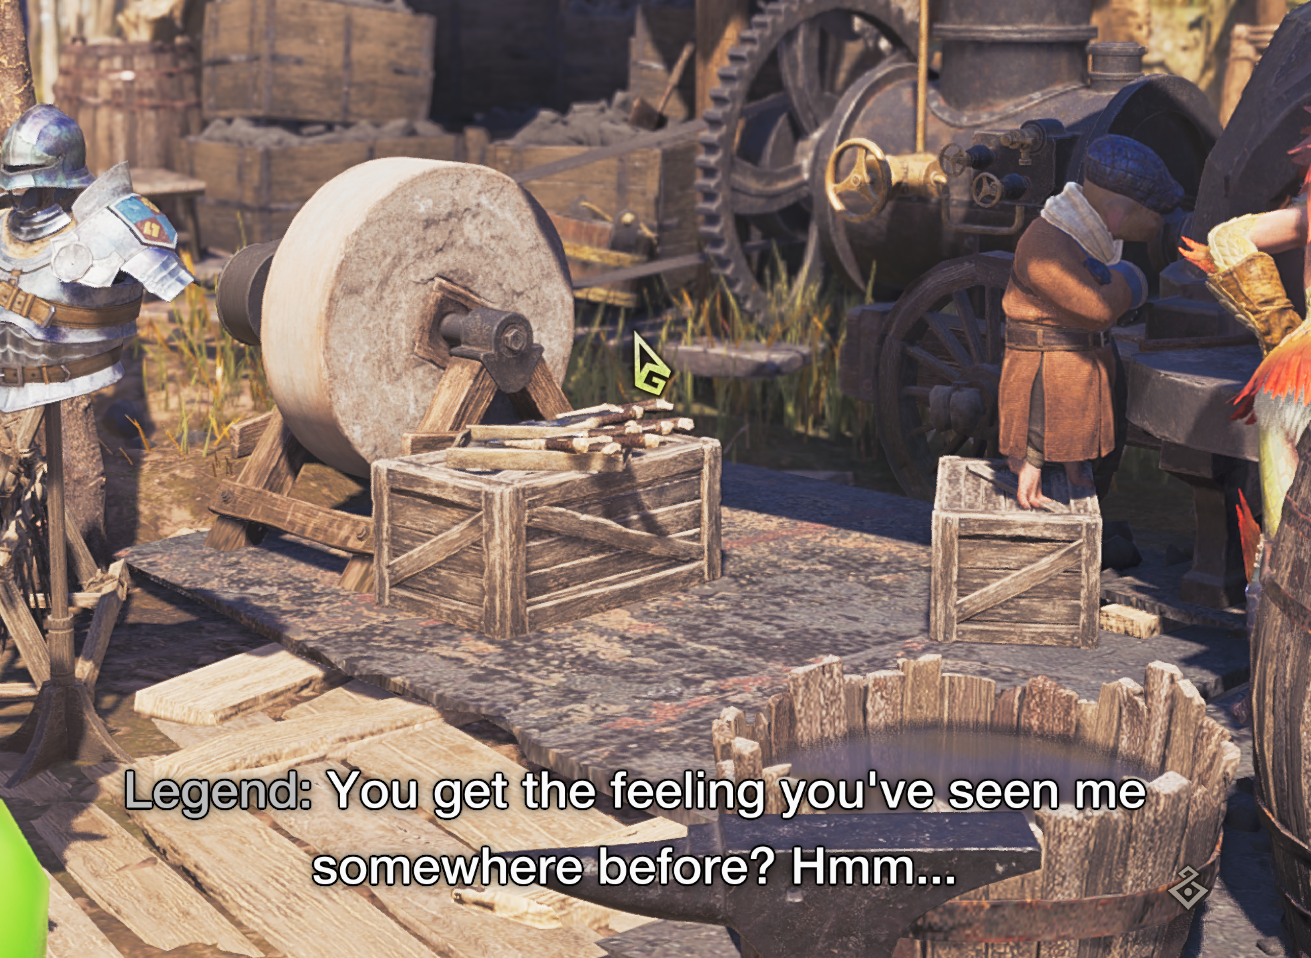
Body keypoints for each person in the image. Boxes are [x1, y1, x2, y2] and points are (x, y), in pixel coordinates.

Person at [998, 135, 1182, 510]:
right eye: (1153, 217)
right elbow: (1095, 307)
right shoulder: (1045, 244)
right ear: (1116, 213)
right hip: (1046, 363)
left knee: (1077, 429)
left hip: (1081, 362)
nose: (1158, 225)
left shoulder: (1089, 240)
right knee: (1039, 427)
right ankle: (1029, 489)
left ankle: (1074, 477)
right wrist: (1130, 279)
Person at [0, 103, 193, 414]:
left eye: (29, 178)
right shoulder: (3, 224)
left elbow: (172, 284)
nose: (21, 192)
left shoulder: (111, 225)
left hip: (76, 379)